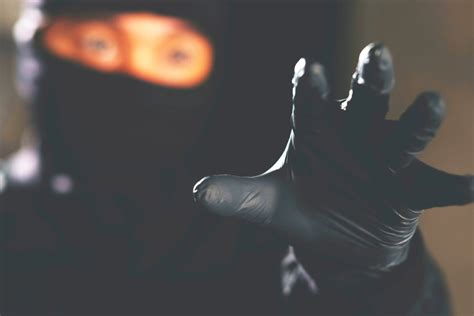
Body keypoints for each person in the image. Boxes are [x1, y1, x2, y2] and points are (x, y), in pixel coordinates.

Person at [1, 0, 472, 314]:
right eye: (99, 43)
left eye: (175, 56)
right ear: (35, 41)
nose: (132, 73)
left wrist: (375, 282)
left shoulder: (256, 244)